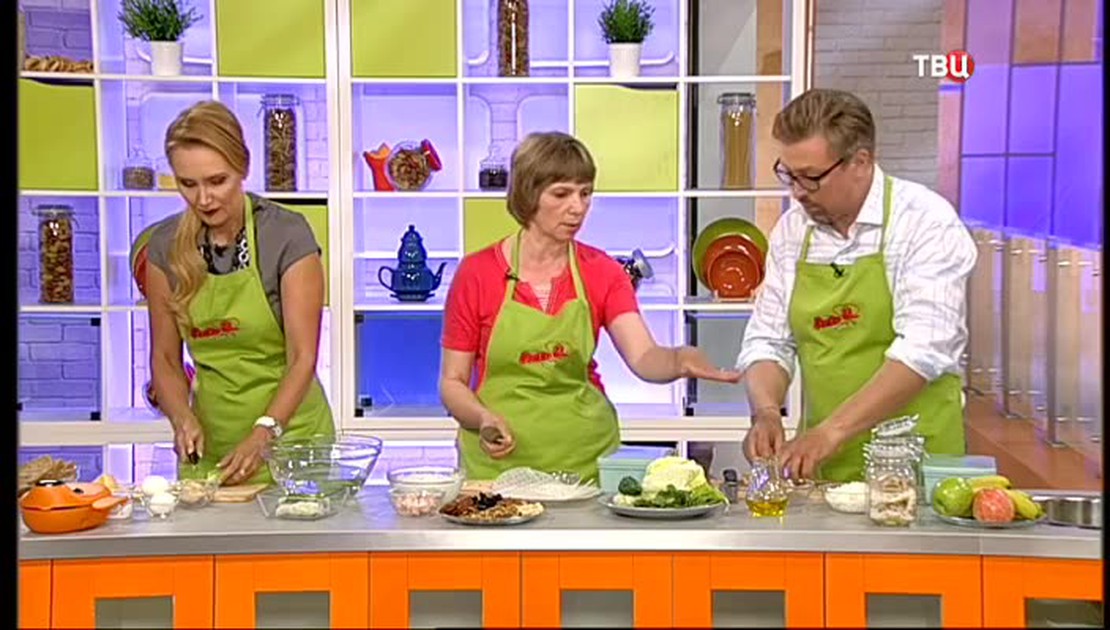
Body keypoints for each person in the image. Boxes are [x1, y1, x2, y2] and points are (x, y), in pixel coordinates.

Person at [440, 131, 741, 483]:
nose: (578, 207)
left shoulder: (602, 271)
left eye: (585, 193)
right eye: (562, 194)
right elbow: (452, 382)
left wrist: (679, 360)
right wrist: (482, 419)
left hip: (585, 465)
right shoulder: (477, 273)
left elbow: (644, 357)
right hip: (499, 471)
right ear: (528, 194)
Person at [737, 88, 977, 482]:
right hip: (826, 470)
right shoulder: (793, 231)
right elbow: (769, 341)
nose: (797, 192)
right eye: (788, 175)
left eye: (811, 177)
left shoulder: (924, 221)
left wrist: (831, 432)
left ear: (861, 162)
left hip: (920, 469)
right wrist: (765, 412)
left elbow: (923, 351)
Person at [144, 100, 334, 486]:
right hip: (211, 449)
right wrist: (181, 417)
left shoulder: (286, 235)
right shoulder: (164, 246)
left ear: (243, 168)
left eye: (217, 181)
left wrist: (264, 432)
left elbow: (303, 358)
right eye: (188, 184)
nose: (203, 199)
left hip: (291, 445)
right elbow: (164, 358)